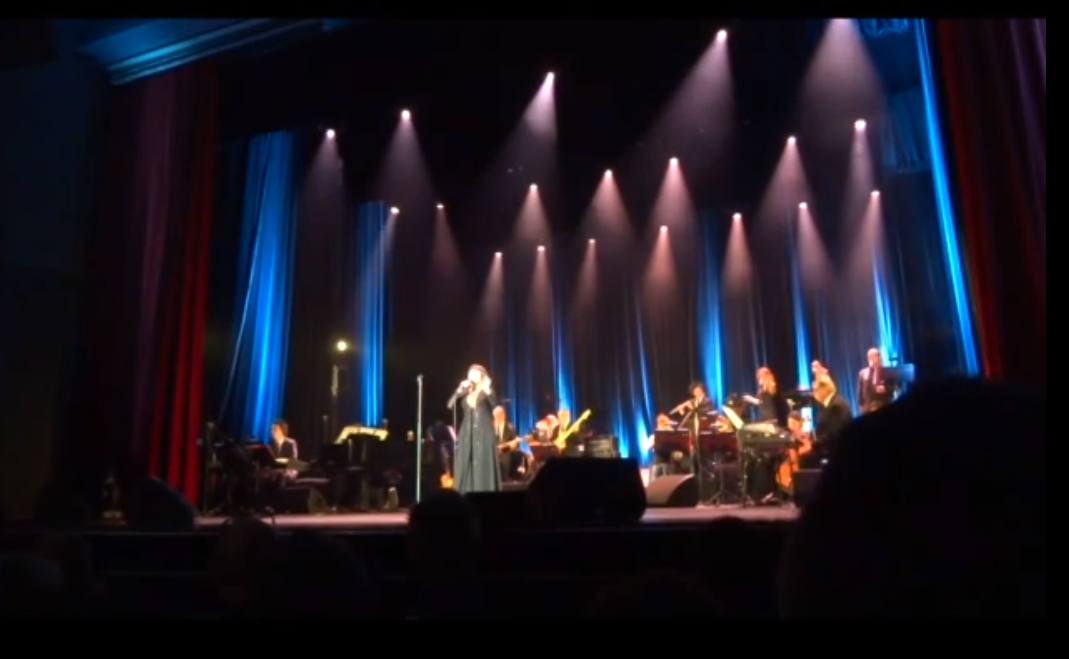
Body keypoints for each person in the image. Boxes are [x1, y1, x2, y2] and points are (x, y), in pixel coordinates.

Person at [447, 364, 500, 494]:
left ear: (481, 376)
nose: (471, 376)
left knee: (482, 461)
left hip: (484, 430)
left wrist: (487, 389)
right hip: (467, 431)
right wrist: (459, 389)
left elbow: (494, 404)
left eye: (474, 373)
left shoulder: (487, 390)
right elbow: (450, 405)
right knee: (466, 461)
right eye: (470, 373)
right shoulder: (465, 391)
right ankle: (465, 494)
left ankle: (484, 493)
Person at [812, 378, 853, 458]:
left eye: (815, 391)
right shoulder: (835, 402)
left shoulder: (835, 406)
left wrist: (816, 443)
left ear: (823, 389)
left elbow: (834, 435)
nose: (814, 395)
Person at [492, 406, 525, 482]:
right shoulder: (491, 427)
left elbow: (516, 444)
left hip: (506, 454)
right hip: (493, 454)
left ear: (503, 415)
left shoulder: (510, 427)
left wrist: (506, 447)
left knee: (506, 460)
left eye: (500, 415)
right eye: (496, 416)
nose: (497, 418)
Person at [856, 347, 891, 413]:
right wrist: (862, 409)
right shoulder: (863, 373)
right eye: (877, 356)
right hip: (868, 408)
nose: (880, 358)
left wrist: (885, 389)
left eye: (879, 355)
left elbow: (893, 388)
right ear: (869, 358)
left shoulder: (886, 371)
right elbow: (860, 395)